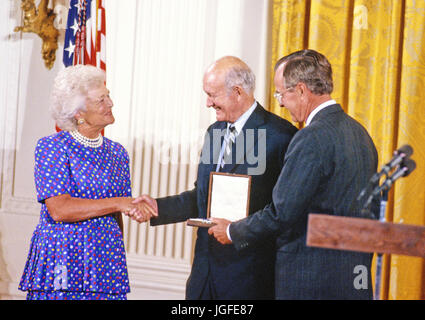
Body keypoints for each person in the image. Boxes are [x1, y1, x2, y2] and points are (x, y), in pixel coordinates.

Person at [209, 49, 379, 300]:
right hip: (353, 277)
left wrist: (234, 231)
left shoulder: (311, 137)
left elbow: (282, 212)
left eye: (281, 93)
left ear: (301, 90)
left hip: (311, 279)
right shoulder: (360, 134)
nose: (279, 102)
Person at [128, 56, 297, 299]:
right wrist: (158, 207)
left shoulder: (281, 136)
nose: (208, 103)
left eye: (213, 95)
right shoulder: (214, 132)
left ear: (237, 92)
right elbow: (203, 196)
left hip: (249, 277)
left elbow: (283, 211)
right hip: (204, 272)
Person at [18, 65, 154, 300]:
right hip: (63, 259)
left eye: (108, 95)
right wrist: (119, 203)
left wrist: (134, 210)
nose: (110, 103)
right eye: (101, 99)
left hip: (106, 261)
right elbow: (59, 209)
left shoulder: (118, 153)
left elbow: (119, 211)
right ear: (78, 113)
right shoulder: (53, 147)